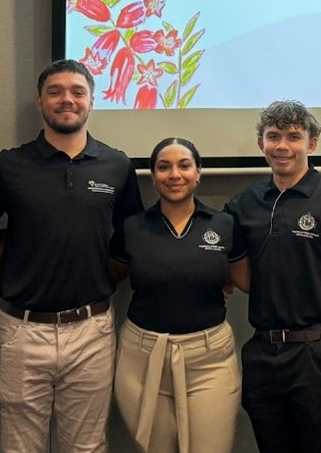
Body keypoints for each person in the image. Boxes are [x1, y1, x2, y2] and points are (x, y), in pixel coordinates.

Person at [0, 59, 143, 453]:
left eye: (77, 92)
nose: (66, 100)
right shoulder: (9, 165)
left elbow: (130, 239)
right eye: (55, 92)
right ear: (39, 102)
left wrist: (100, 274)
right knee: (17, 448)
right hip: (21, 331)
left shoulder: (117, 166)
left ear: (91, 101)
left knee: (86, 447)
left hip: (92, 329)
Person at [225, 100, 321, 453]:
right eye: (273, 136)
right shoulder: (244, 205)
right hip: (263, 356)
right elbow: (242, 276)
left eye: (293, 136)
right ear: (261, 143)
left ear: (312, 143)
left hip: (317, 355)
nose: (282, 146)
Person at [113, 137, 244, 453]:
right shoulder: (132, 228)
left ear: (198, 172)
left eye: (184, 165)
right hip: (141, 359)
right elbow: (106, 278)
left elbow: (245, 280)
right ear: (153, 177)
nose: (174, 174)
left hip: (209, 361)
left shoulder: (224, 225)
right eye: (163, 167)